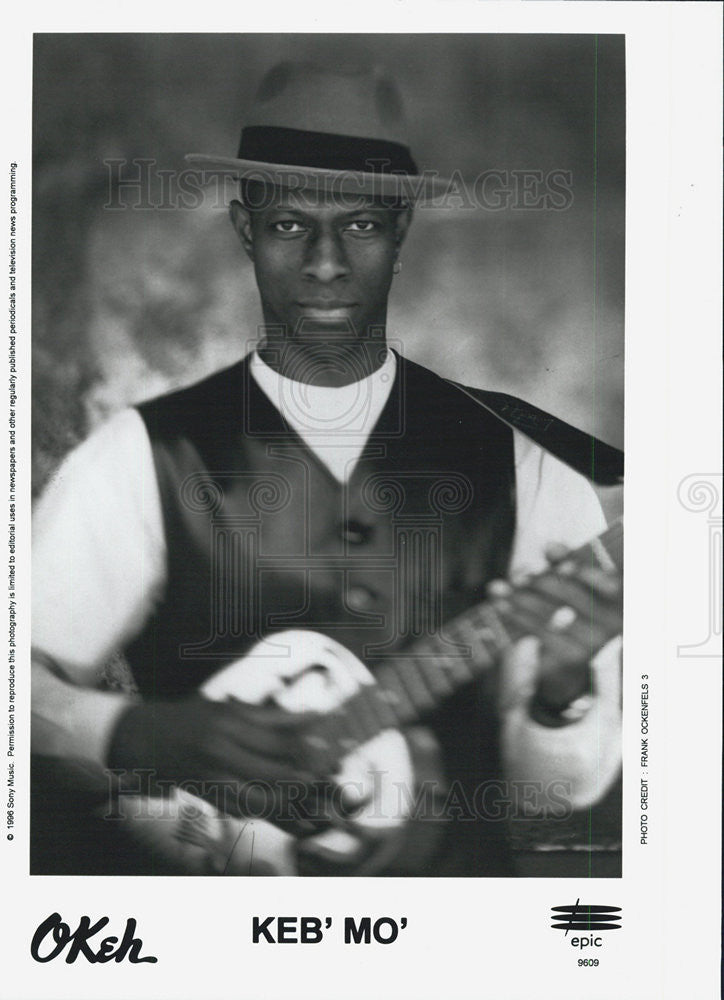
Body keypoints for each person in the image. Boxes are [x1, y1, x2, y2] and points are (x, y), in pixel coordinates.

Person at [31, 61, 623, 876]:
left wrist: (564, 689)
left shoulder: (532, 467)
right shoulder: (141, 455)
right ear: (243, 229)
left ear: (402, 228)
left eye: (361, 225)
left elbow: (555, 795)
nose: (324, 262)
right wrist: (128, 733)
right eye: (287, 226)